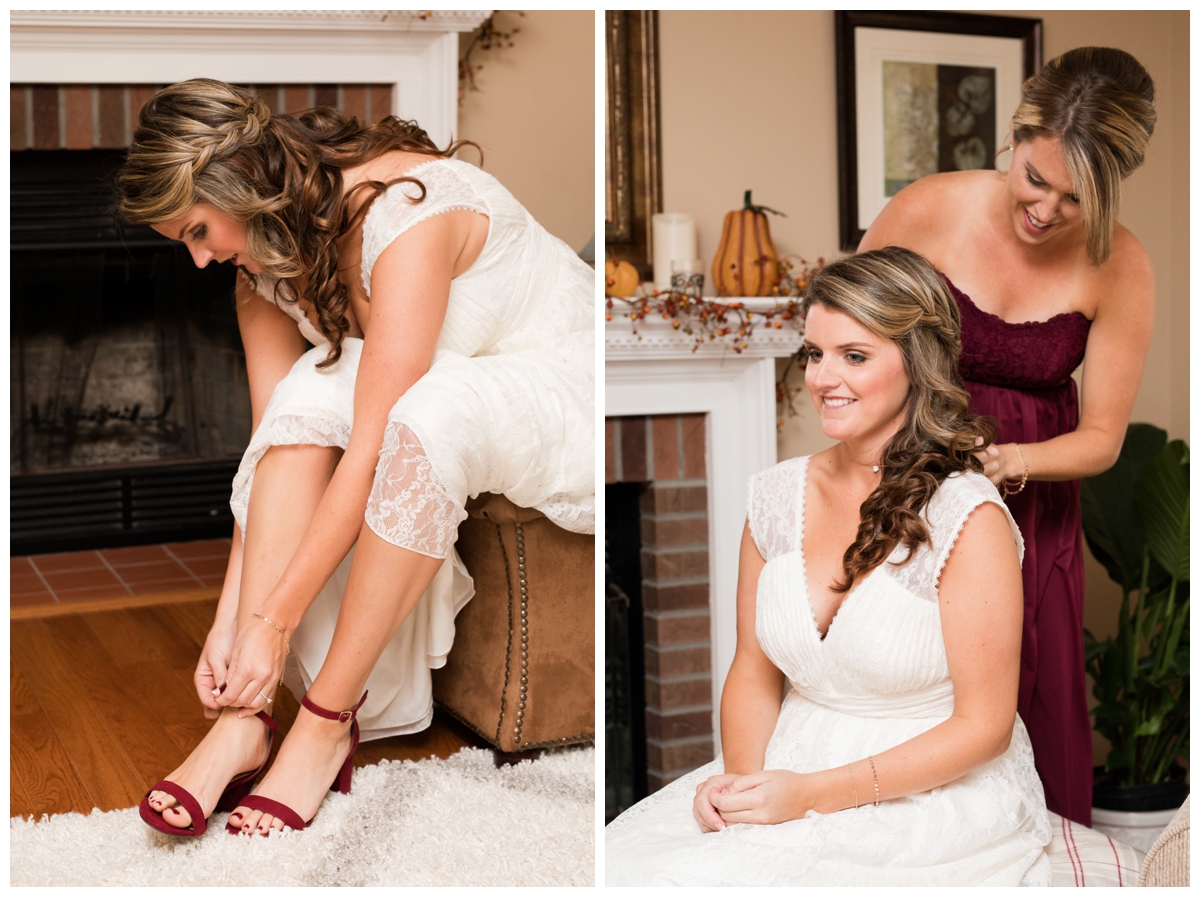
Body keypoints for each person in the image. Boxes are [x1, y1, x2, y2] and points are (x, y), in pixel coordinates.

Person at [117, 79, 594, 837]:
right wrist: (234, 624)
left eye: (200, 231)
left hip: (564, 382)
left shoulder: (405, 214)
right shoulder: (260, 266)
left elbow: (375, 443)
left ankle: (323, 722)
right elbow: (273, 436)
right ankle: (244, 723)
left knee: (424, 415)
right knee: (306, 393)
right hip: (448, 382)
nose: (202, 260)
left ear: (239, 188)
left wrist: (276, 623)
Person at [605, 248, 1051, 886]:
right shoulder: (776, 497)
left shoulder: (966, 516)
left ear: (916, 365)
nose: (822, 377)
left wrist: (812, 795)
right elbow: (753, 676)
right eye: (814, 353)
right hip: (789, 763)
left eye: (855, 355)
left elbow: (985, 728)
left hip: (930, 791)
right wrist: (740, 784)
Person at [858, 47, 1156, 827]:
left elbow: (1102, 440)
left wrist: (1012, 461)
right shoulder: (928, 207)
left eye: (1076, 195)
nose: (1048, 210)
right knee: (919, 687)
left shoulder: (1121, 265)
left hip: (1037, 505)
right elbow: (849, 341)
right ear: (1015, 138)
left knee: (1034, 698)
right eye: (1036, 178)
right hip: (919, 490)